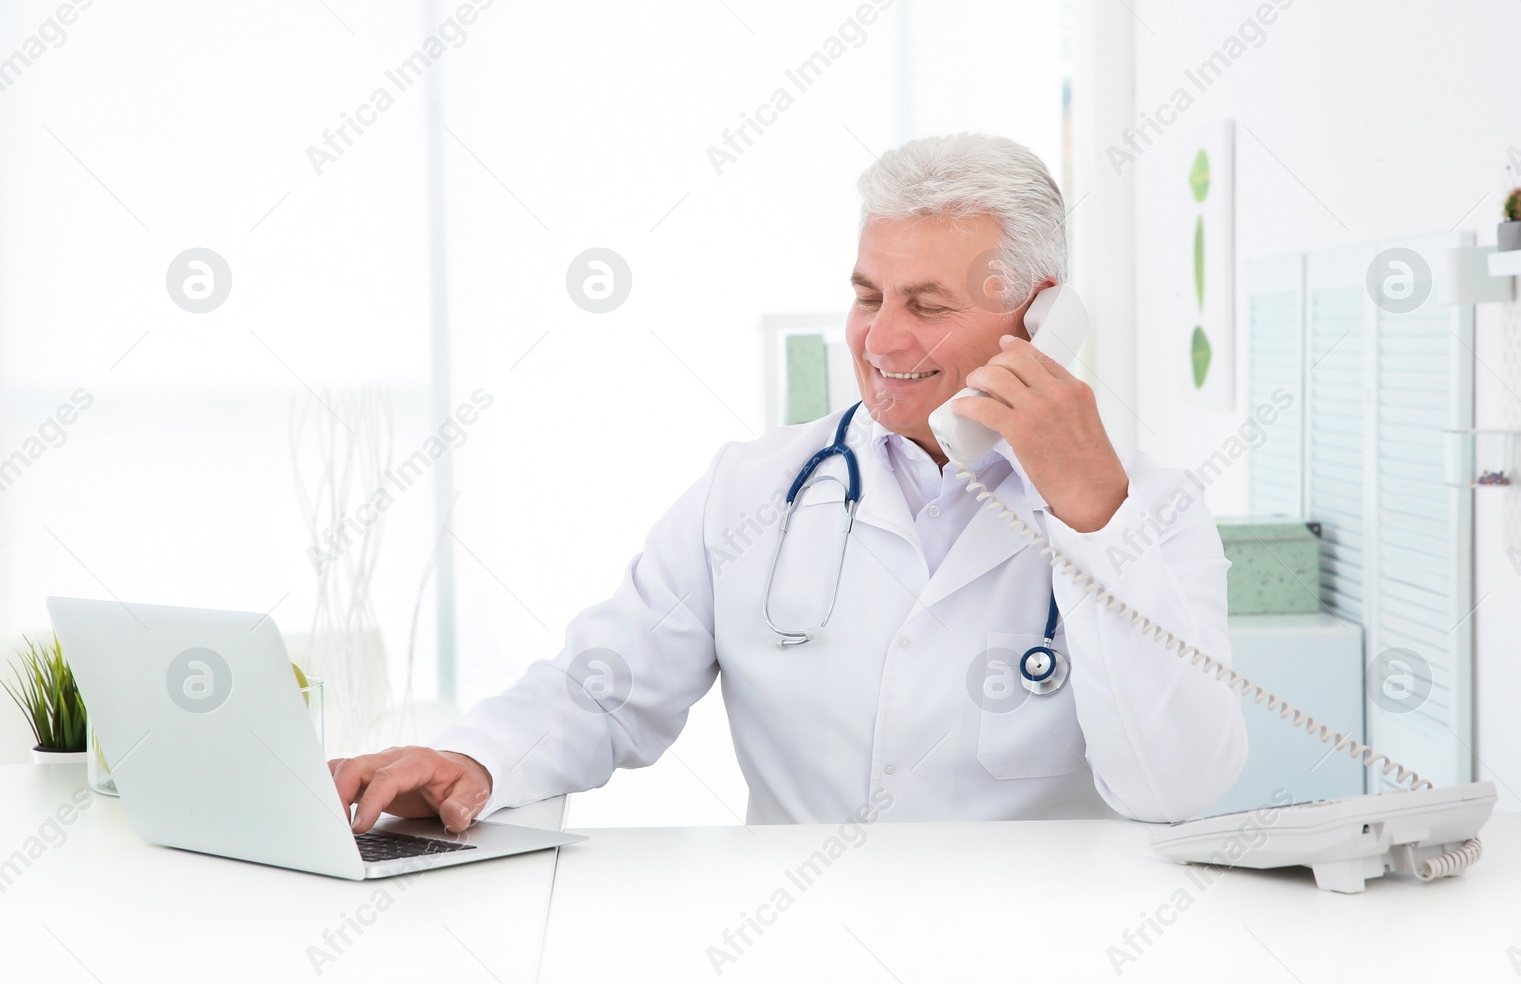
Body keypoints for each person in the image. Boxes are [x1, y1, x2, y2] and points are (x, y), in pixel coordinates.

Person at [329, 133, 1247, 835]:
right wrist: (472, 758)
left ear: (1042, 316)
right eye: (867, 296)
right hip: (801, 949)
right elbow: (598, 689)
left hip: (1040, 961)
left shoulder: (1147, 510)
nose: (881, 340)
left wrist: (1092, 515)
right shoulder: (755, 490)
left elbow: (1177, 786)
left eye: (927, 305)